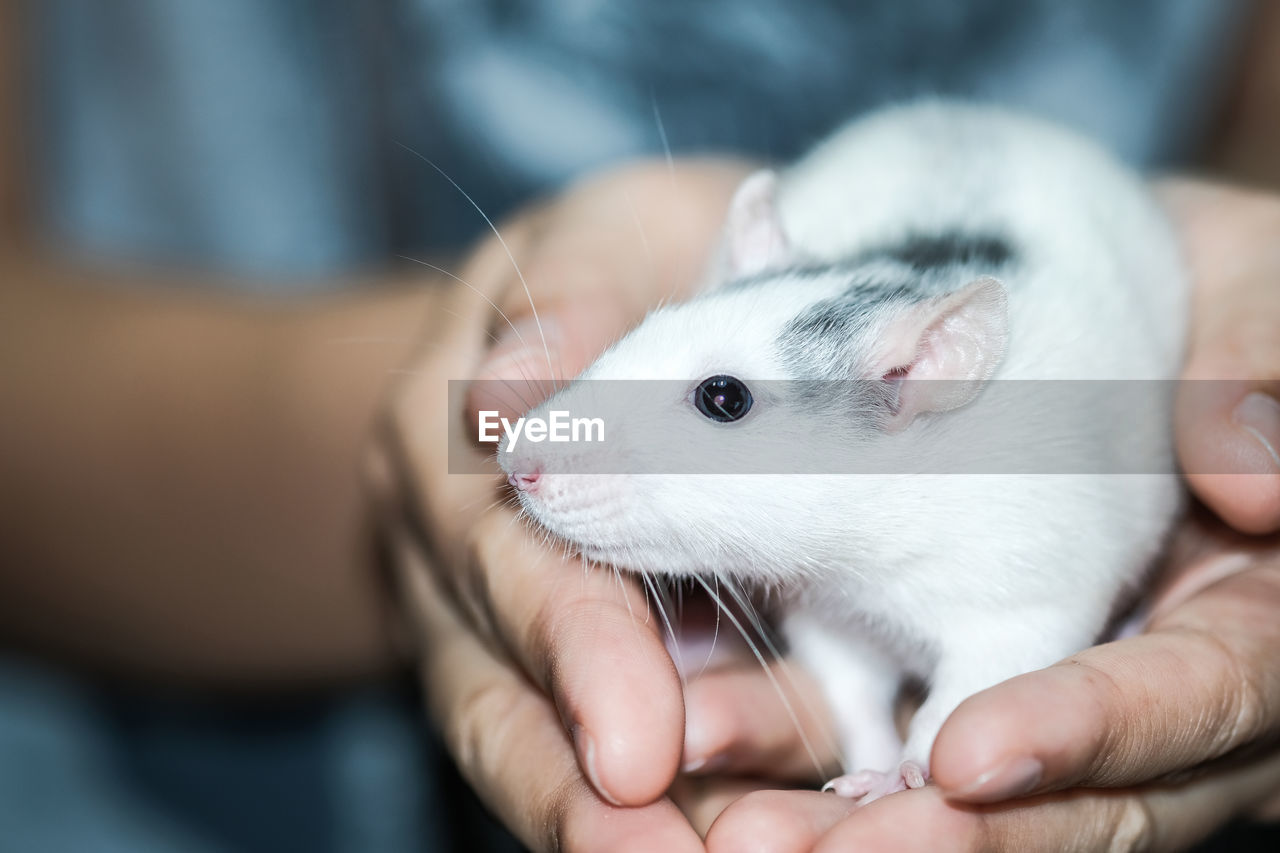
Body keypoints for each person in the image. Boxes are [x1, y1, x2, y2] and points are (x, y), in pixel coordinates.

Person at [3, 1, 1280, 851]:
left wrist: (925, 736)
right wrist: (419, 398)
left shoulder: (1020, 499)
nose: (534, 453)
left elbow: (1013, 622)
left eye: (719, 405)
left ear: (913, 387)